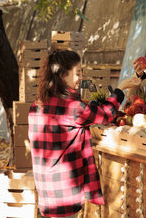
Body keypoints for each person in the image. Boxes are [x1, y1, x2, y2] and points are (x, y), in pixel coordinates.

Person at [28, 50, 131, 218]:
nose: (81, 77)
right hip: (65, 191)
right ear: (62, 75)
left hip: (45, 189)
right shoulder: (73, 107)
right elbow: (106, 114)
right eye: (77, 73)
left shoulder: (38, 104)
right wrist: (120, 90)